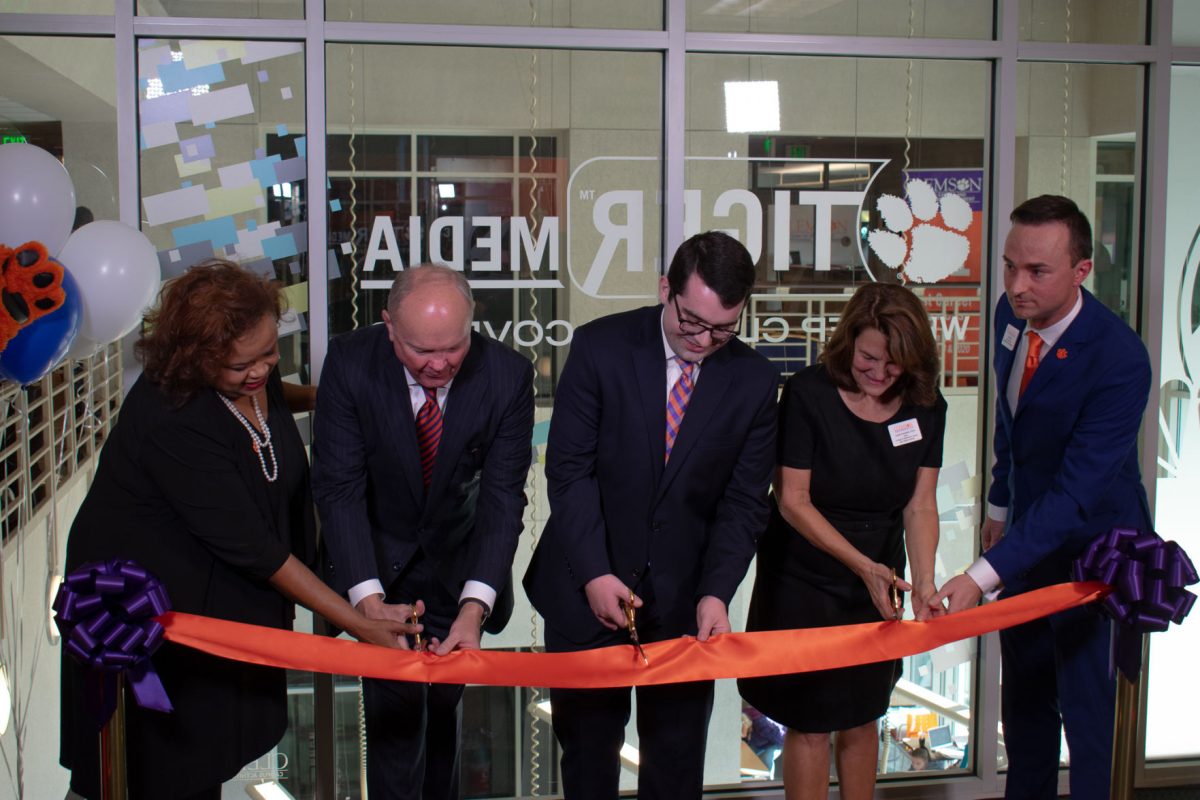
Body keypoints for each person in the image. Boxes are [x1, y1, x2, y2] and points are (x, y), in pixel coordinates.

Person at [59, 260, 413, 799]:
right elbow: (258, 551)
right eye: (242, 364)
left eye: (270, 352)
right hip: (153, 619)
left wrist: (328, 398)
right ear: (196, 357)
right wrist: (357, 621)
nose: (262, 370)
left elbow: (268, 399)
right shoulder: (173, 418)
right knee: (162, 767)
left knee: (210, 759)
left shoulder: (247, 363)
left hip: (221, 596)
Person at [523, 230, 779, 800]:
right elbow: (568, 471)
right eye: (693, 322)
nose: (705, 341)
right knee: (588, 765)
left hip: (685, 605)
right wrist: (594, 572)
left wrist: (716, 592)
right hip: (584, 592)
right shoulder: (600, 347)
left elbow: (743, 503)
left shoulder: (755, 381)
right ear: (667, 289)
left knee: (676, 769)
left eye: (724, 329)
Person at [935, 195, 1153, 799]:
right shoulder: (1011, 315)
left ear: (1082, 271)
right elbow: (1013, 424)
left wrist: (980, 576)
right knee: (1026, 710)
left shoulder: (1119, 359)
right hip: (1026, 541)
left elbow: (1076, 494)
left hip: (1095, 553)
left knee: (1088, 724)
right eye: (1009, 266)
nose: (1016, 285)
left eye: (1037, 272)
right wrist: (999, 509)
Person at [312, 264, 534, 800]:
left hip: (459, 572)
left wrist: (473, 606)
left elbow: (503, 500)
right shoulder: (349, 362)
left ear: (472, 323)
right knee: (393, 728)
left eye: (453, 348)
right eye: (420, 352)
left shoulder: (507, 374)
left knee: (442, 721)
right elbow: (338, 489)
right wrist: (366, 601)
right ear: (389, 327)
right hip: (378, 569)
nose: (438, 365)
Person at [737, 281, 946, 800]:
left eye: (893, 364)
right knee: (808, 724)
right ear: (849, 340)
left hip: (877, 579)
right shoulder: (810, 393)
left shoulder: (925, 405)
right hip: (805, 575)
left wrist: (922, 583)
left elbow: (920, 504)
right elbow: (792, 500)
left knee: (864, 715)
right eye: (868, 358)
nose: (878, 373)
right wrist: (863, 566)